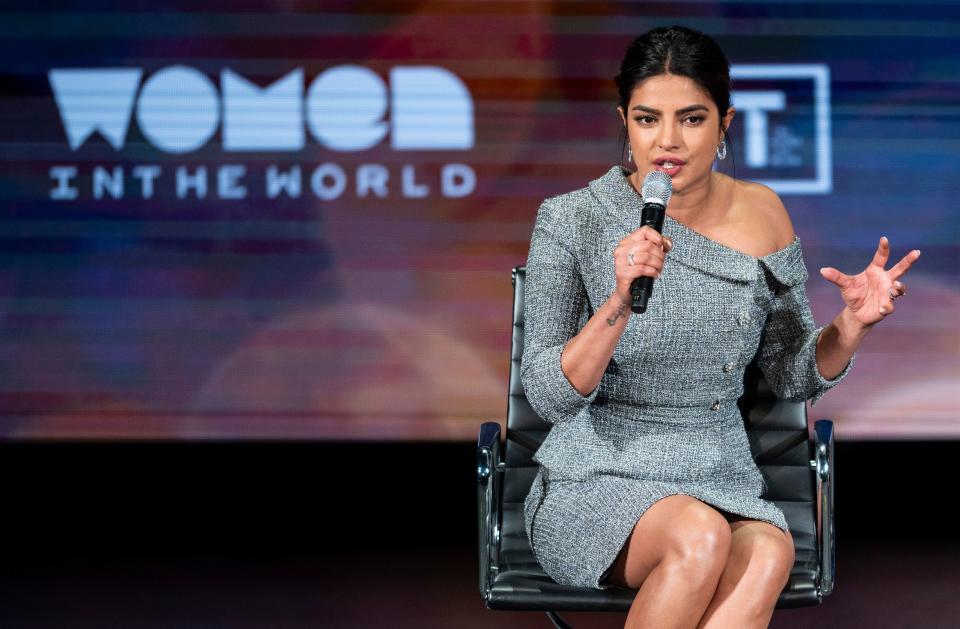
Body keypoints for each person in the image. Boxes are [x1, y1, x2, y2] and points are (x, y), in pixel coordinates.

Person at [520, 25, 921, 629]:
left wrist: (852, 324)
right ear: (624, 123)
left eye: (692, 118)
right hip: (595, 475)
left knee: (768, 552)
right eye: (648, 119)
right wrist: (619, 302)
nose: (668, 142)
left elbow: (792, 373)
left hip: (718, 471)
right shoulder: (572, 219)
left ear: (725, 122)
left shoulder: (763, 212)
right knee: (698, 536)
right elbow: (549, 396)